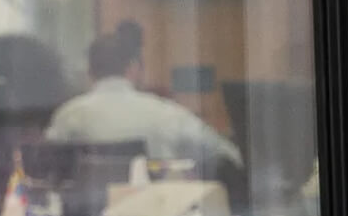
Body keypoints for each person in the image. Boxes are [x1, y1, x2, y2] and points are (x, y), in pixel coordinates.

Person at [46, 32, 243, 169]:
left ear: (89, 72)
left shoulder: (68, 116)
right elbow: (226, 154)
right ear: (133, 68)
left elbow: (45, 165)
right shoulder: (166, 113)